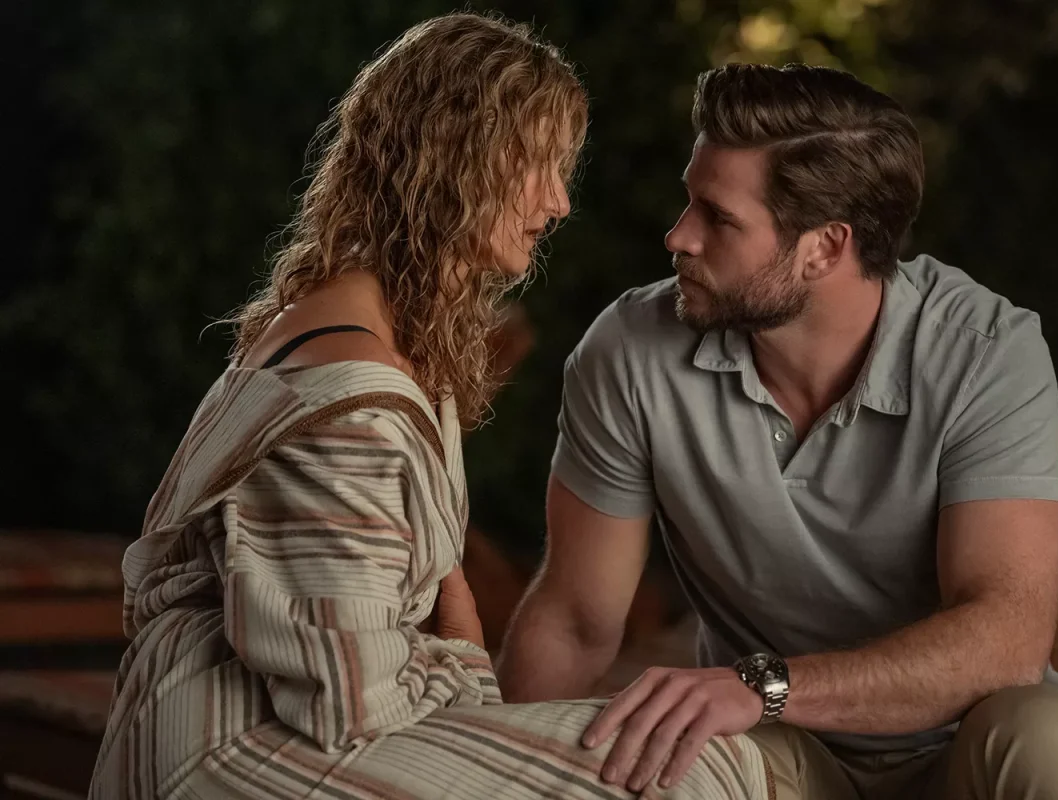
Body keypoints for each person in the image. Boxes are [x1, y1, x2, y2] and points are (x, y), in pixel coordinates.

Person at [88, 15, 772, 799]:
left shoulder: (363, 327)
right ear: (455, 159)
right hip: (237, 757)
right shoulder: (354, 400)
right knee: (692, 771)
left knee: (683, 750)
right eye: (538, 166)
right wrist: (465, 650)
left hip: (284, 727)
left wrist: (457, 648)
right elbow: (352, 698)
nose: (557, 202)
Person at [497, 63, 1058, 799]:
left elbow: (1006, 639)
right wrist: (482, 764)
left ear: (825, 247)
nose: (678, 237)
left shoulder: (987, 352)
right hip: (779, 750)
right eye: (687, 203)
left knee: (1044, 741)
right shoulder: (631, 352)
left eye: (718, 218)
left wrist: (764, 685)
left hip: (965, 736)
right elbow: (574, 620)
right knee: (666, 758)